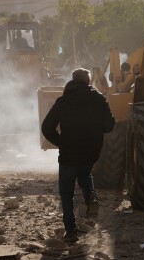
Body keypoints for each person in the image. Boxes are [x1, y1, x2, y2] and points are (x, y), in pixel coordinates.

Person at [40, 68, 116, 243]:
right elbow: (109, 126)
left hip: (68, 153)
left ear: (73, 80)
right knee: (85, 174)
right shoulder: (99, 99)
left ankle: (71, 230)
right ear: (88, 81)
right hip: (91, 151)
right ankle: (91, 198)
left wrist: (61, 142)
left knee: (66, 194)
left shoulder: (63, 101)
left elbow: (46, 127)